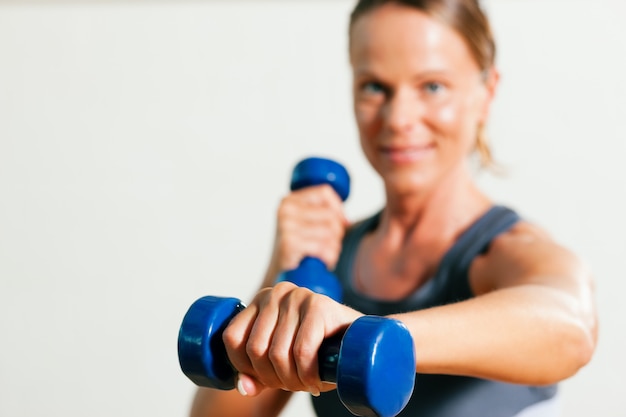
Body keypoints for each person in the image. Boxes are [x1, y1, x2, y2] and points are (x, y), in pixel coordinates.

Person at [190, 0, 598, 416]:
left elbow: (571, 329)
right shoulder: (329, 260)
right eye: (374, 87)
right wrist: (282, 269)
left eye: (432, 86)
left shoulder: (504, 249)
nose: (398, 118)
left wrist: (376, 336)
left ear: (486, 93)